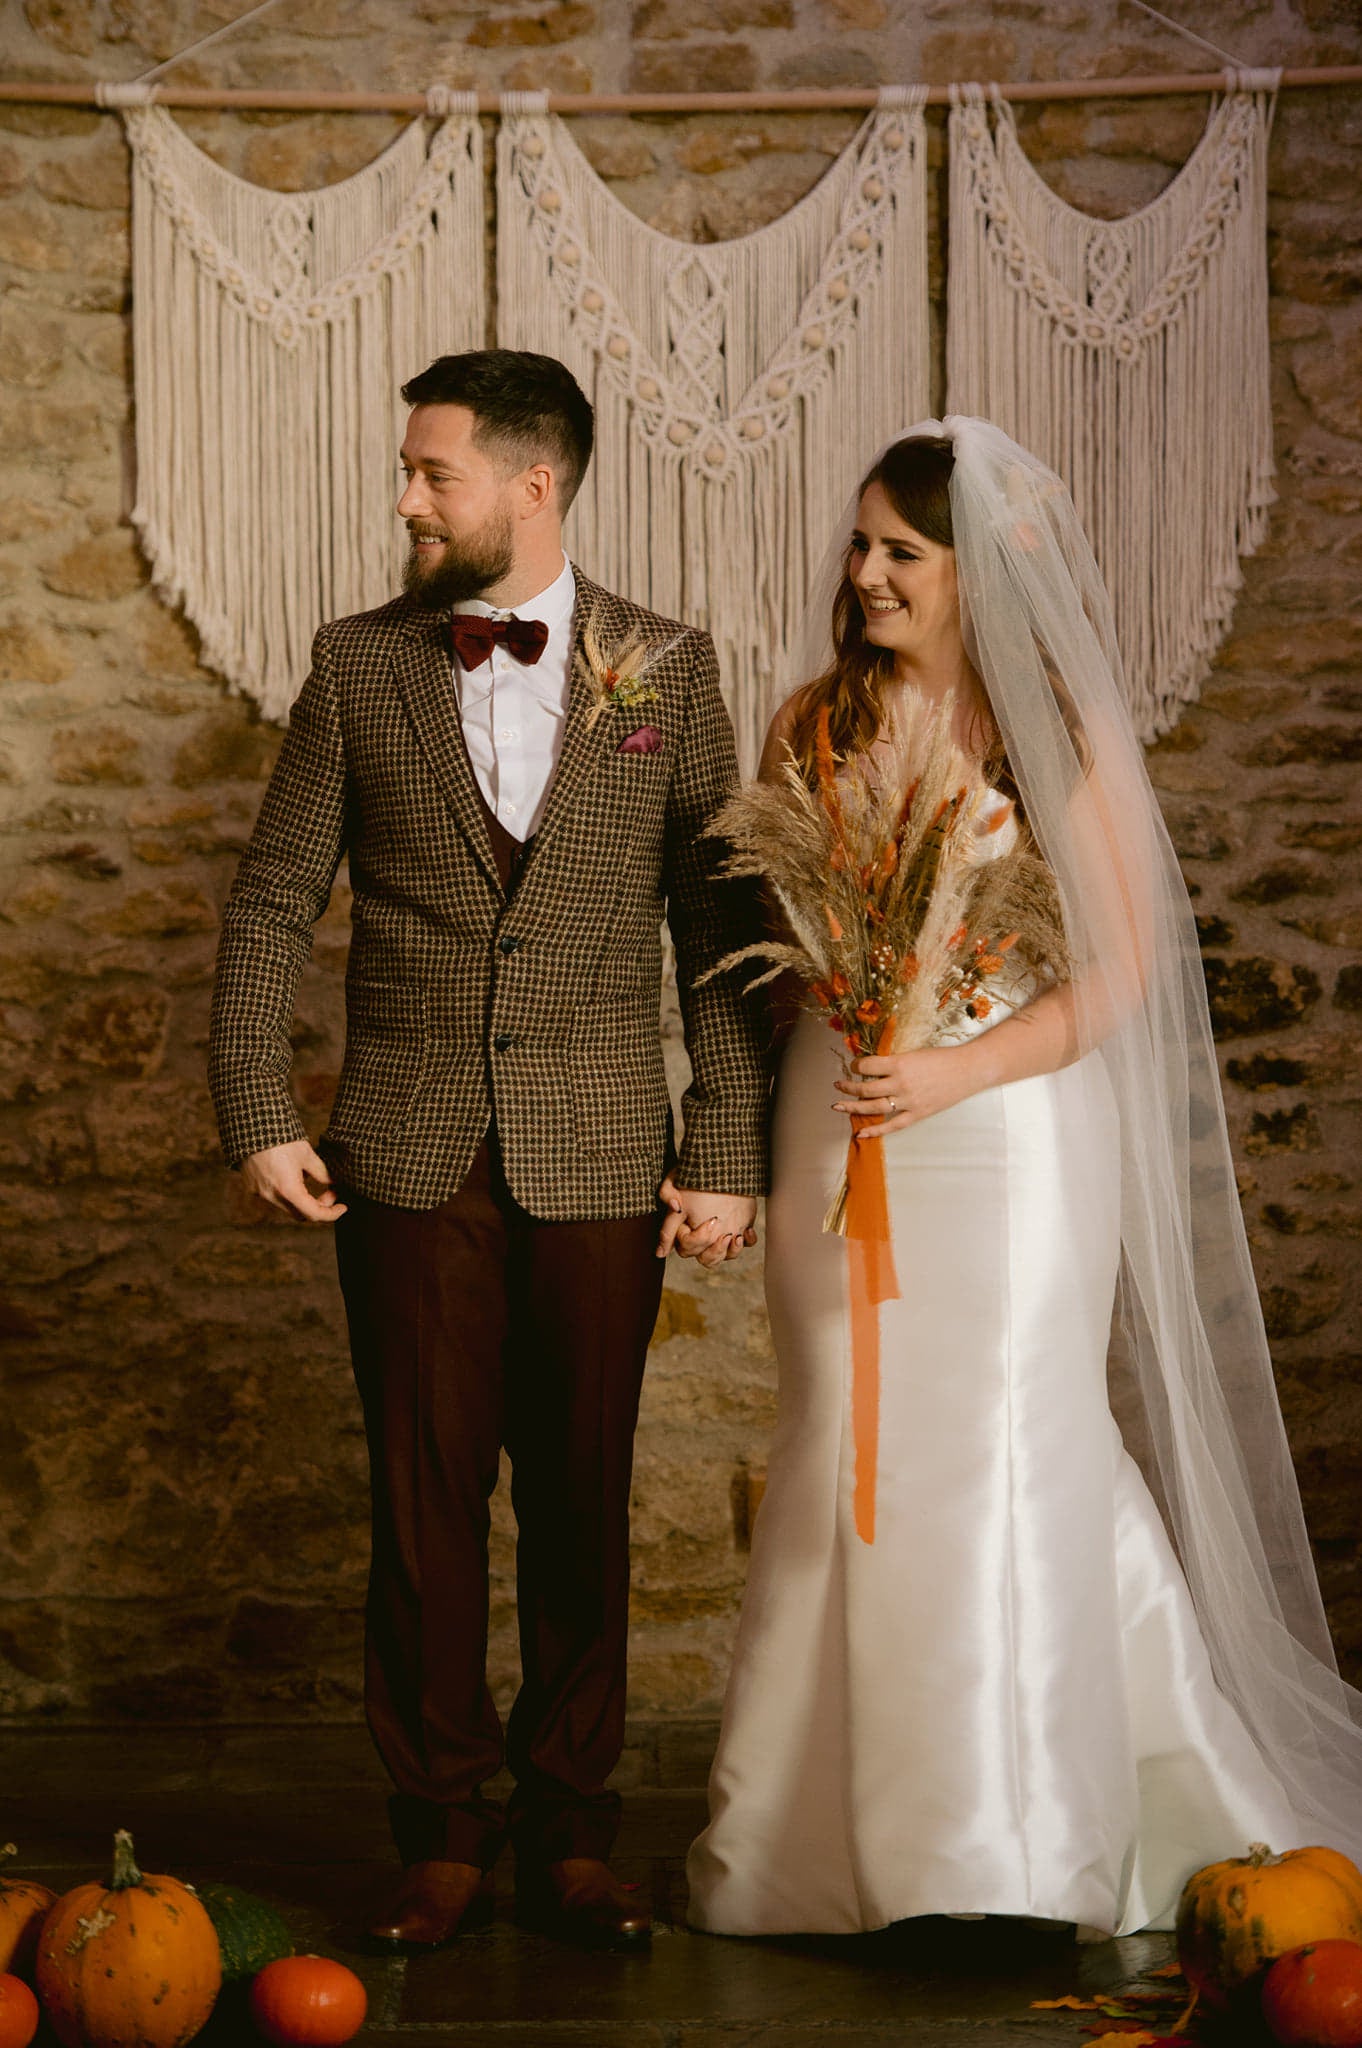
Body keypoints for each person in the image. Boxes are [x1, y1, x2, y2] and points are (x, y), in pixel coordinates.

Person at [686, 418, 1362, 1939]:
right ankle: (814, 1851)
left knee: (998, 1442)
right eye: (859, 544)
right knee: (837, 1449)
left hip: (1005, 1131)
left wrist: (950, 1069)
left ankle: (1007, 1844)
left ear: (979, 571)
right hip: (836, 1118)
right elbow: (776, 954)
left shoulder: (1054, 731)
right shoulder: (814, 725)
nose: (862, 574)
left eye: (899, 553)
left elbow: (1118, 974)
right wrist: (851, 1029)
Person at [209, 349, 768, 1952]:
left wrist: (726, 1140)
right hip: (403, 1147)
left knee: (583, 1500)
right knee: (423, 1502)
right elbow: (268, 902)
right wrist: (258, 1107)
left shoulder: (667, 668)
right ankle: (438, 1830)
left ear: (534, 484)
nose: (404, 497)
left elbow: (721, 927)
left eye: (430, 471)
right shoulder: (358, 665)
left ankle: (576, 1832)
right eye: (408, 467)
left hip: (603, 1154)